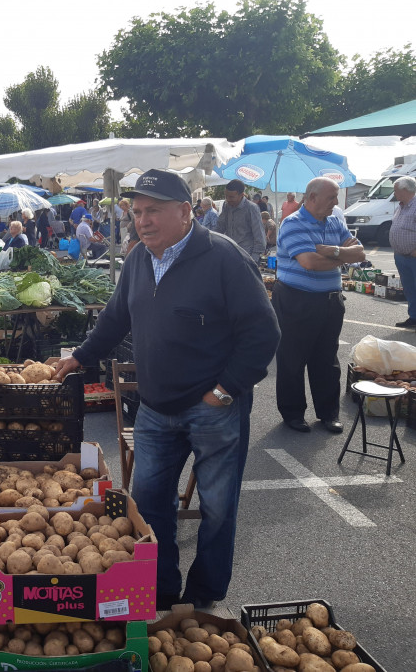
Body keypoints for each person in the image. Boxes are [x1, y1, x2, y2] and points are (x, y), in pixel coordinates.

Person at [54, 169, 280, 610]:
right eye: (137, 212)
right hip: (155, 409)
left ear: (184, 211)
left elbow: (263, 333)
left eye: (153, 211)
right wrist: (78, 357)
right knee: (151, 505)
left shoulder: (225, 259)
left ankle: (204, 597)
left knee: (217, 509)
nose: (143, 220)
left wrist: (225, 390)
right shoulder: (139, 259)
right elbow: (114, 319)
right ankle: (159, 593)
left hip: (213, 409)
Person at [273, 176, 365, 434]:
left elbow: (360, 253)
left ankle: (328, 413)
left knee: (326, 359)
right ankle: (292, 413)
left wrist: (329, 250)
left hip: (330, 301)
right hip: (296, 300)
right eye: (331, 198)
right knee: (292, 359)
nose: (336, 203)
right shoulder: (293, 223)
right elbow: (310, 263)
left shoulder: (335, 220)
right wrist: (341, 254)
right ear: (311, 197)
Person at [387, 176, 416, 327]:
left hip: (413, 256)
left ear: (405, 190)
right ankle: (414, 317)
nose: (394, 193)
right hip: (401, 256)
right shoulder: (401, 206)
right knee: (410, 289)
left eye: (396, 190)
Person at [216, 179, 266, 260]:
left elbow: (259, 236)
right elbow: (219, 227)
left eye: (231, 197)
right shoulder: (226, 205)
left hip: (246, 256)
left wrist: (253, 260)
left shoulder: (252, 208)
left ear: (241, 195)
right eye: (226, 196)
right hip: (230, 253)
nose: (228, 199)